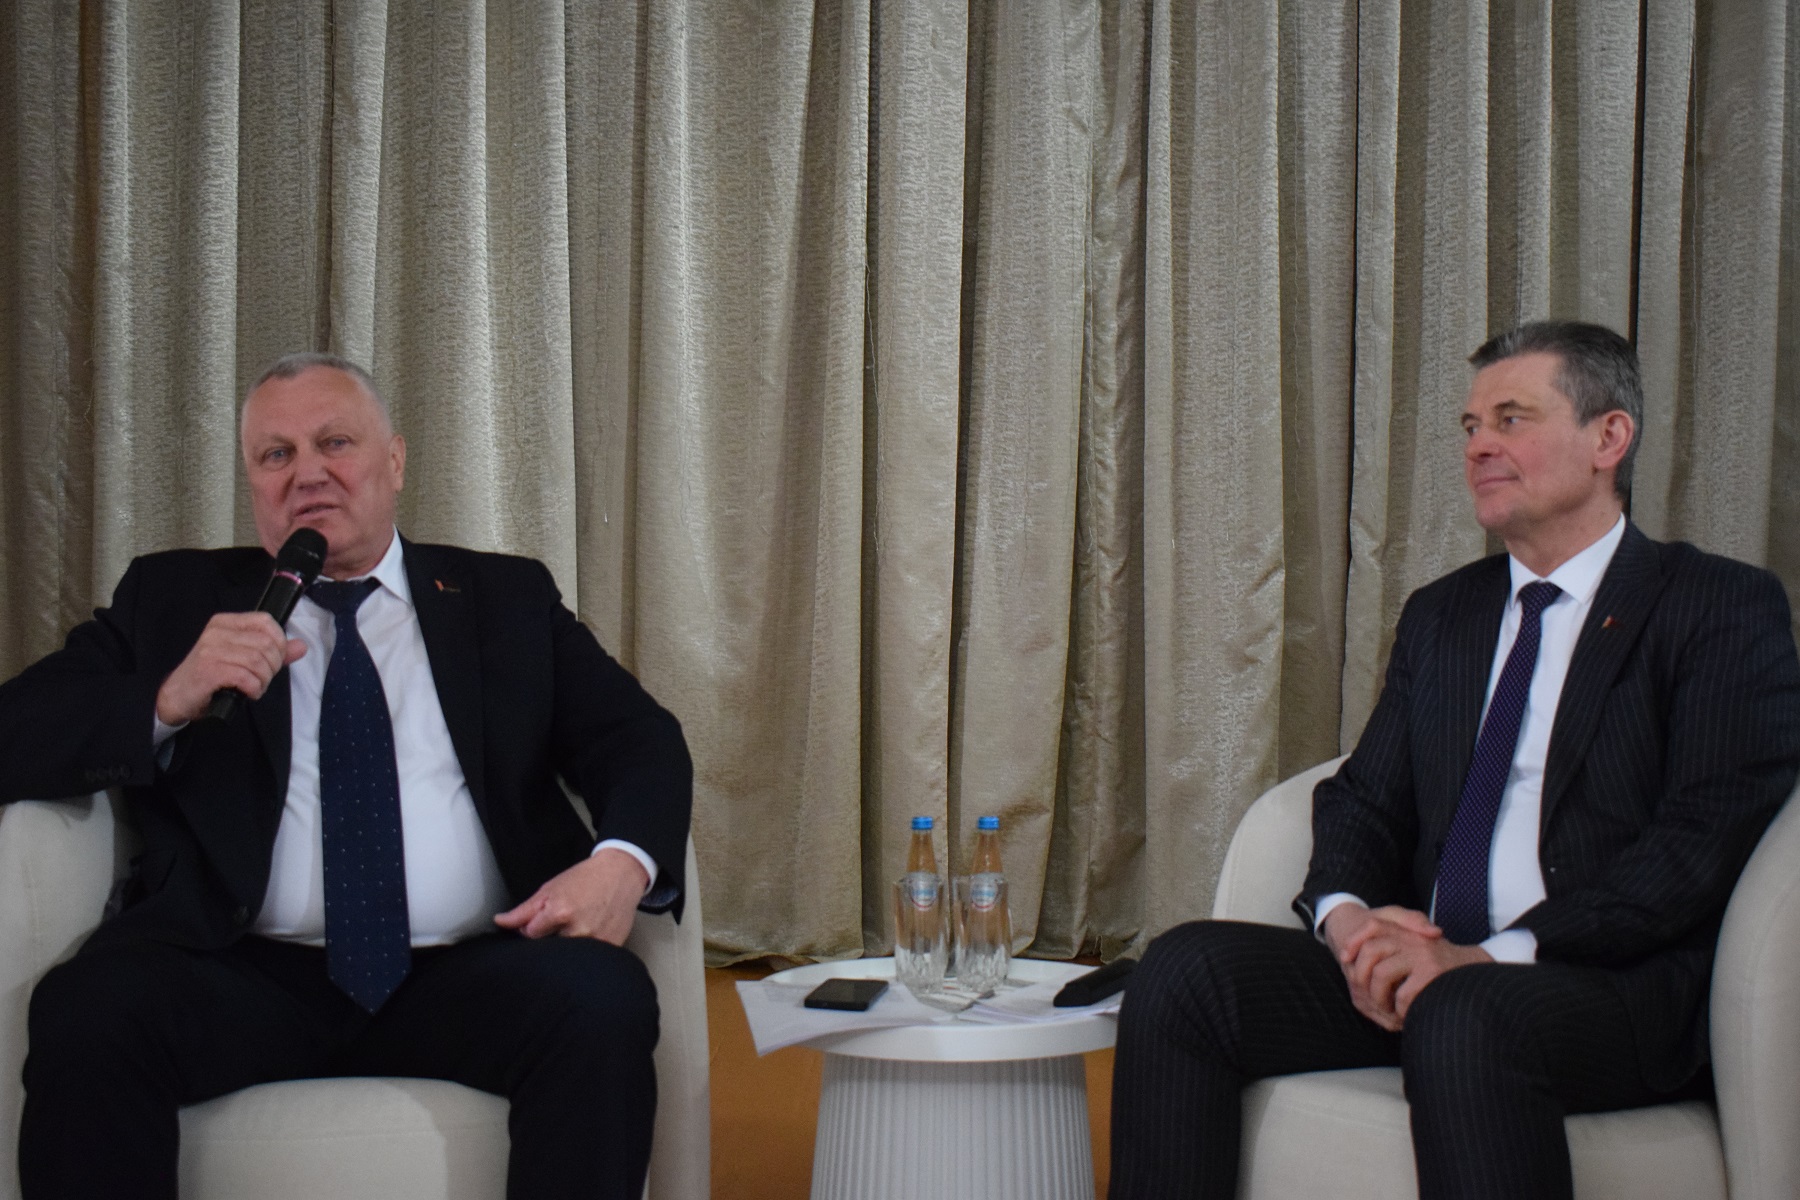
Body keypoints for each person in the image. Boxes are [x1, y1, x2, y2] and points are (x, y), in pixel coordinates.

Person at [1108, 320, 1800, 1200]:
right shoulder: (1445, 615)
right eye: (1471, 426)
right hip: (1432, 976)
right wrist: (1351, 925)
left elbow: (1699, 842)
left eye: (1511, 419)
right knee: (1184, 972)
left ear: (1609, 438)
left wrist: (1489, 959)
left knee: (1463, 1013)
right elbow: (1364, 800)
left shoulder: (1716, 605)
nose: (1478, 447)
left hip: (1603, 988)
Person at [0, 352, 693, 1200]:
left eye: (335, 443)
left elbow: (638, 739)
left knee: (600, 1001)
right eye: (276, 454)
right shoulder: (174, 598)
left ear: (394, 461)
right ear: (253, 481)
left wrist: (621, 864)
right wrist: (166, 697)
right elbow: (16, 729)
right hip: (239, 969)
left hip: (470, 968)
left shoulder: (505, 598)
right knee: (87, 1013)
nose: (308, 474)